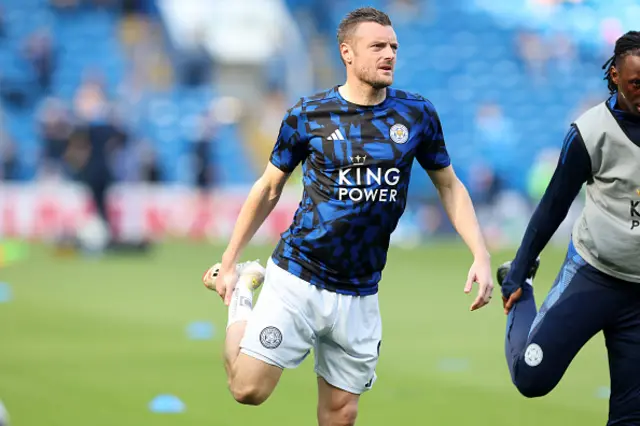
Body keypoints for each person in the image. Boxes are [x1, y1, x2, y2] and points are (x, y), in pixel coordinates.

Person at [205, 7, 494, 426]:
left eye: (394, 46)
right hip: (299, 276)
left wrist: (480, 254)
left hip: (361, 290)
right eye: (377, 46)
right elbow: (268, 187)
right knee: (248, 390)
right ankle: (247, 295)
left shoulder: (417, 114)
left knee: (341, 414)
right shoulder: (308, 114)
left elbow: (449, 185)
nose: (389, 54)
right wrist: (231, 261)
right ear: (347, 53)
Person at [496, 31, 640, 424]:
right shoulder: (591, 132)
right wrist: (522, 266)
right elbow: (553, 205)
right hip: (594, 274)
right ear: (614, 75)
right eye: (635, 84)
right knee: (531, 376)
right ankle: (522, 290)